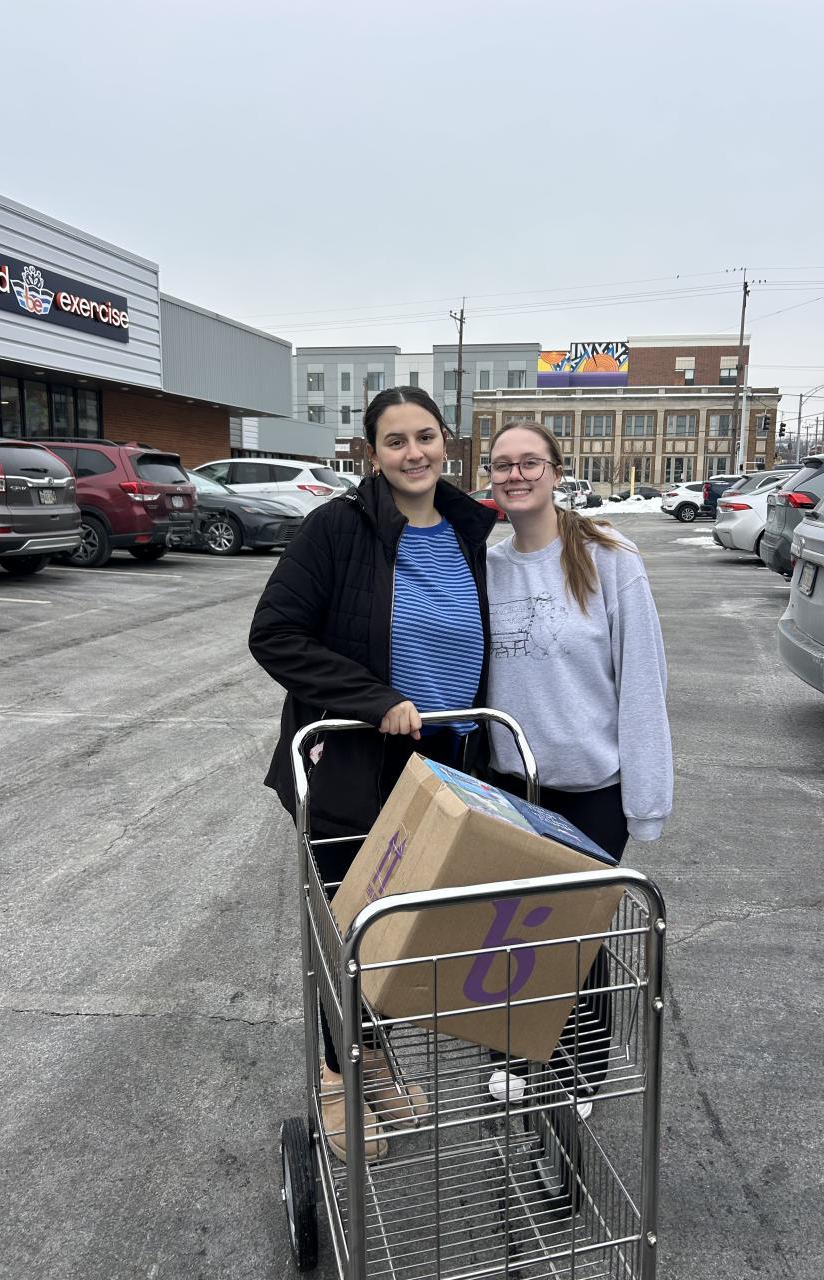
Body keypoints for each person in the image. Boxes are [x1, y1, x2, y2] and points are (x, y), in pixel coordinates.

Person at [249, 386, 496, 1163]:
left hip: (446, 767)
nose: (414, 453)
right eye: (395, 441)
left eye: (425, 436)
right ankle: (336, 1074)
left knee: (406, 934)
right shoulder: (337, 528)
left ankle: (374, 1058)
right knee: (354, 930)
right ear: (372, 452)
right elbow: (275, 634)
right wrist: (374, 699)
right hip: (355, 766)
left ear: (447, 440)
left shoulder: (472, 530)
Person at [484, 419, 672, 1100]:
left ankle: (579, 1072)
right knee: (513, 931)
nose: (515, 474)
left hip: (591, 788)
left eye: (530, 461)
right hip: (511, 787)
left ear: (557, 472)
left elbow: (643, 682)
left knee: (574, 939)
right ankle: (519, 1052)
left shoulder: (610, 559)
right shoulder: (488, 568)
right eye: (502, 464)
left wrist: (646, 800)